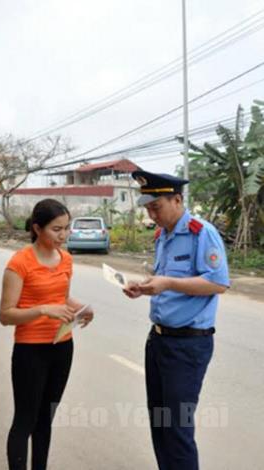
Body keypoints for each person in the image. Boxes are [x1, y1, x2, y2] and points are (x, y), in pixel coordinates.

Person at [123, 170, 230, 470]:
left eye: (156, 207)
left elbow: (218, 283)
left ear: (178, 199)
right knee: (160, 423)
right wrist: (145, 286)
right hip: (158, 340)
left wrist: (167, 283)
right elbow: (165, 278)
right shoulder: (163, 235)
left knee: (178, 428)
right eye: (147, 208)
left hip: (187, 345)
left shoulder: (201, 232)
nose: (151, 214)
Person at [0, 198, 94, 470]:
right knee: (25, 420)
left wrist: (84, 308)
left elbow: (63, 298)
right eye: (56, 229)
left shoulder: (66, 259)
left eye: (66, 228)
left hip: (62, 347)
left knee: (45, 418)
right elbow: (6, 314)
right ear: (37, 229)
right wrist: (42, 310)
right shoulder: (19, 263)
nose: (63, 235)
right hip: (31, 351)